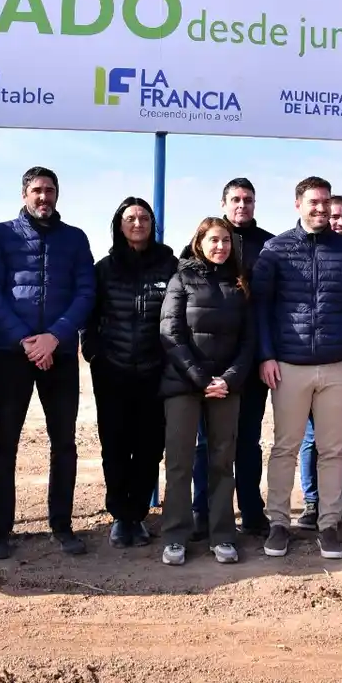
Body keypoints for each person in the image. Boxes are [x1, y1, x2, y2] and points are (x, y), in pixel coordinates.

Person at [253, 177, 342, 561]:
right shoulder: (275, 250)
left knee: (333, 450)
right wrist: (266, 356)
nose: (320, 209)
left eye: (325, 202)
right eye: (313, 202)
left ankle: (328, 524)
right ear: (297, 205)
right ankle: (277, 522)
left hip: (338, 366)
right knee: (285, 448)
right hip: (288, 366)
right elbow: (261, 308)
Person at [0, 166, 96, 559]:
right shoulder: (1, 235)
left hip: (59, 355)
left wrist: (54, 337)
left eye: (50, 190)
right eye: (36, 190)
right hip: (15, 354)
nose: (43, 197)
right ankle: (0, 532)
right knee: (5, 444)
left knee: (64, 442)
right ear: (24, 193)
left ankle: (62, 526)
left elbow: (85, 293)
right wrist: (26, 340)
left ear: (58, 194)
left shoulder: (75, 239)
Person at [159, 217, 256, 565]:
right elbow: (171, 334)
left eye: (226, 241)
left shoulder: (240, 283)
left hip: (226, 387)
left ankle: (222, 536)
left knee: (221, 462)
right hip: (184, 385)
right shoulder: (181, 279)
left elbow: (249, 341)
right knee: (180, 462)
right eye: (214, 240)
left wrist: (228, 379)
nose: (220, 247)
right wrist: (201, 379)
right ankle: (175, 536)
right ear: (200, 242)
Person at [182, 178, 275, 538]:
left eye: (248, 199)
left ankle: (251, 510)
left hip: (249, 362)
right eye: (235, 199)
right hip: (208, 364)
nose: (242, 205)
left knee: (248, 441)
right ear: (223, 204)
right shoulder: (195, 250)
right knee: (208, 443)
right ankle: (201, 511)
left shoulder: (269, 246)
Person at [84, 197, 176, 549]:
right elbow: (89, 316)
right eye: (130, 218)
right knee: (116, 445)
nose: (137, 223)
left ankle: (137, 513)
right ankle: (120, 515)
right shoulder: (105, 268)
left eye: (144, 218)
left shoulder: (169, 265)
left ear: (152, 224)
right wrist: (93, 351)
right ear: (119, 225)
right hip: (113, 371)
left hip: (155, 371)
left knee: (150, 446)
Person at [297, 192, 342, 530]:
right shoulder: (298, 250)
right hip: (306, 362)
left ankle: (341, 499)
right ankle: (312, 502)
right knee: (311, 437)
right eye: (334, 216)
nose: (338, 222)